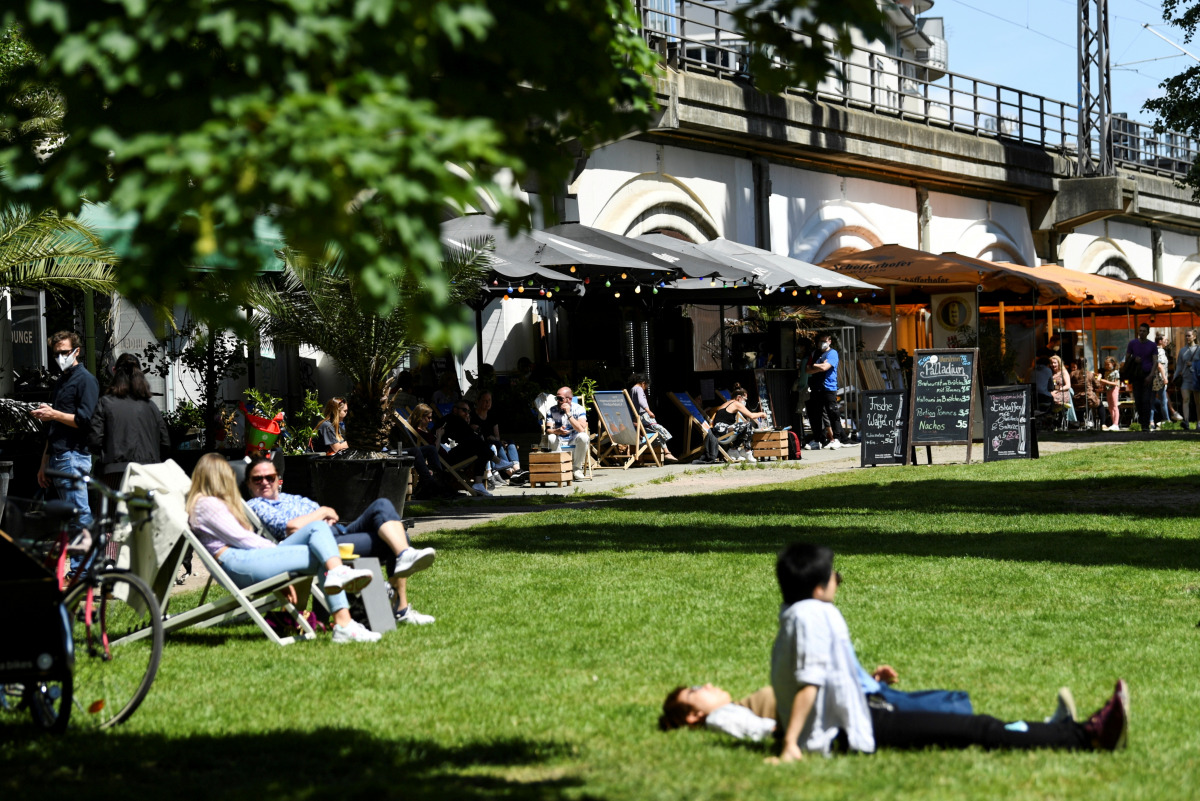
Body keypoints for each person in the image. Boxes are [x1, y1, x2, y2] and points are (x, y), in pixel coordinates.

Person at [769, 543, 1129, 761]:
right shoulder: (815, 614)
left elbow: (807, 681)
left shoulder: (793, 616)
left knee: (963, 717)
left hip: (857, 717)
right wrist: (790, 745)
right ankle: (1087, 735)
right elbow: (809, 683)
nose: (839, 580)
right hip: (852, 730)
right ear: (817, 587)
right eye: (834, 576)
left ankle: (1056, 731)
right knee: (977, 728)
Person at [186, 453, 381, 643]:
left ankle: (342, 613)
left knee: (318, 529)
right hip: (237, 563)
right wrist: (277, 555)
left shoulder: (211, 504)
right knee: (324, 554)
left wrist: (278, 556)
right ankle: (344, 622)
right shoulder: (206, 504)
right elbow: (243, 539)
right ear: (219, 478)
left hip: (245, 558)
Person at [244, 454, 438, 625]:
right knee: (398, 536)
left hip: (339, 530)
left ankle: (405, 555)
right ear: (249, 484)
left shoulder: (292, 498)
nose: (264, 482)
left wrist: (323, 514)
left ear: (278, 478)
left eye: (269, 477)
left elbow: (331, 514)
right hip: (319, 544)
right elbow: (292, 527)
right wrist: (321, 513)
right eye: (257, 479)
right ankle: (401, 609)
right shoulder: (256, 505)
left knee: (382, 505)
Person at [660, 677, 979, 742]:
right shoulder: (722, 716)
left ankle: (954, 707)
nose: (706, 685)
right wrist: (779, 732)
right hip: (834, 710)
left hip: (837, 701)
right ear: (693, 715)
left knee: (901, 705)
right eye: (696, 691)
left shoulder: (736, 705)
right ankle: (956, 710)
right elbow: (751, 728)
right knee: (903, 709)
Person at [32, 331, 99, 556]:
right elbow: (54, 428)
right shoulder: (62, 381)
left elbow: (84, 421)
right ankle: (81, 570)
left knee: (79, 514)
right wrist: (44, 461)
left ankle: (84, 570)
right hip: (59, 456)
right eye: (56, 353)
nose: (61, 357)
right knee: (71, 517)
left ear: (76, 351)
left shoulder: (86, 380)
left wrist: (54, 414)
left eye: (65, 352)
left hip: (74, 454)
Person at [89, 354, 171, 490]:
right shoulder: (151, 407)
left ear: (114, 372)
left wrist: (109, 452)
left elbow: (94, 441)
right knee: (143, 511)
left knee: (112, 510)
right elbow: (165, 443)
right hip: (148, 474)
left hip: (114, 474)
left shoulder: (105, 403)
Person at [437, 400, 514, 495]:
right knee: (476, 440)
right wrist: (468, 427)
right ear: (455, 410)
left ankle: (478, 483)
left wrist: (468, 425)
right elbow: (469, 437)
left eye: (468, 412)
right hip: (447, 458)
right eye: (464, 410)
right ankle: (497, 461)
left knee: (480, 448)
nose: (467, 414)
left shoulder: (457, 422)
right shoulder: (451, 419)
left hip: (455, 453)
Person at [700, 384, 765, 463]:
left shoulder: (726, 403)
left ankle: (733, 450)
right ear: (739, 397)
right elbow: (751, 415)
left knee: (743, 427)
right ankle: (747, 451)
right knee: (747, 424)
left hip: (718, 431)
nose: (745, 401)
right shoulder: (736, 404)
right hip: (722, 431)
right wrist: (761, 414)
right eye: (745, 399)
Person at [805, 334, 846, 450]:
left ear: (829, 341)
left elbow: (825, 368)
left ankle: (837, 439)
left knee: (833, 413)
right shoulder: (814, 353)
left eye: (824, 340)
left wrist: (815, 366)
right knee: (816, 415)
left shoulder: (832, 353)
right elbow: (807, 370)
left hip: (829, 388)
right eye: (820, 341)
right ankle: (818, 440)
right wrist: (818, 366)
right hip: (816, 388)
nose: (822, 343)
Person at [471, 391, 520, 487]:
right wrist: (492, 439)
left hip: (493, 441)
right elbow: (477, 434)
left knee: (510, 443)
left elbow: (497, 436)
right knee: (495, 445)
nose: (487, 403)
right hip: (483, 443)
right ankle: (513, 474)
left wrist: (495, 438)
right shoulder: (473, 416)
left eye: (489, 400)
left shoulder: (492, 415)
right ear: (478, 401)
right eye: (485, 401)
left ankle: (517, 470)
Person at [543, 386, 589, 481]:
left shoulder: (579, 409)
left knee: (584, 437)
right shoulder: (552, 410)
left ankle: (576, 469)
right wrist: (557, 431)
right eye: (557, 398)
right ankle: (561, 467)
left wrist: (569, 414)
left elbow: (581, 429)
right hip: (559, 441)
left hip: (574, 441)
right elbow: (548, 430)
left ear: (569, 399)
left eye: (560, 398)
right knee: (551, 437)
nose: (558, 401)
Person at [628, 373, 677, 461]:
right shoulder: (639, 389)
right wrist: (649, 411)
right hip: (644, 416)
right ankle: (667, 453)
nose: (646, 388)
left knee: (656, 434)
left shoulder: (632, 389)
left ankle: (667, 452)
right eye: (646, 385)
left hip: (637, 417)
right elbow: (641, 401)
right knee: (659, 429)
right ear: (643, 383)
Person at [1125, 323, 1157, 430]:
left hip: (1147, 374)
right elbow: (1127, 359)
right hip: (1136, 375)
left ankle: (1145, 425)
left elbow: (1155, 361)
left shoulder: (1152, 345)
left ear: (1148, 332)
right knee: (1138, 400)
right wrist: (1134, 359)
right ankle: (1142, 421)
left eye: (1144, 331)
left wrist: (1151, 375)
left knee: (1146, 400)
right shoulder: (1132, 343)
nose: (1141, 333)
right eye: (1140, 331)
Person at [1175, 330, 1199, 430]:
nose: (1187, 338)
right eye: (1186, 336)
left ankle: (1199, 422)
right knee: (1186, 400)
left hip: (1196, 379)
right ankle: (1186, 421)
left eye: (1189, 336)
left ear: (1194, 337)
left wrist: (1193, 365)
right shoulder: (1182, 350)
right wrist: (1174, 377)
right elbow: (1179, 365)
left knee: (1198, 402)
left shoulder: (1199, 349)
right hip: (1185, 378)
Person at [1149, 333, 1171, 430]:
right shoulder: (1160, 351)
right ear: (1160, 341)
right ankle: (1167, 420)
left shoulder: (1153, 350)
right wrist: (1164, 377)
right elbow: (1159, 365)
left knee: (1152, 401)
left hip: (1152, 379)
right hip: (1159, 380)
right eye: (1165, 340)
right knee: (1163, 401)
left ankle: (1151, 421)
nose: (1167, 341)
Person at [1048, 355, 1077, 425]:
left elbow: (1067, 385)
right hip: (1053, 391)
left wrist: (1058, 390)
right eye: (1051, 363)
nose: (1053, 365)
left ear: (1059, 363)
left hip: (1063, 392)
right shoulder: (1050, 372)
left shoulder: (1063, 372)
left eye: (1055, 363)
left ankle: (1058, 419)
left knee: (1053, 399)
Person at [1097, 356, 1122, 431]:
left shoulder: (1116, 372)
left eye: (1108, 364)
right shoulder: (1106, 372)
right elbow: (1105, 383)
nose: (1106, 366)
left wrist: (1104, 381)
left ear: (1113, 364)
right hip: (1108, 390)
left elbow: (1115, 383)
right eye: (1105, 365)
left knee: (1114, 406)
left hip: (1114, 389)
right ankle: (1113, 422)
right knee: (1110, 407)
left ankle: (1116, 424)